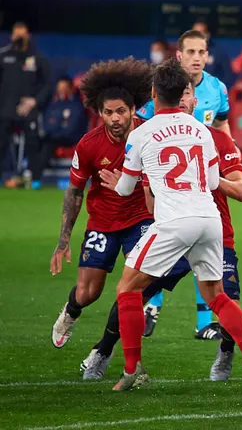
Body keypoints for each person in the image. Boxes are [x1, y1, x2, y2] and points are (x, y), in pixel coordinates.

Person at [99, 58, 242, 391]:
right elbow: (215, 178)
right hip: (209, 219)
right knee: (216, 295)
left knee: (127, 289)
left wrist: (117, 181)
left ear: (153, 93)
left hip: (175, 220)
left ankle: (132, 370)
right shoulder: (203, 131)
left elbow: (127, 190)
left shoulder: (142, 133)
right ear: (182, 95)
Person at [49, 57, 155, 347]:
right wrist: (63, 241)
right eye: (108, 112)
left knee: (140, 283)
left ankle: (115, 342)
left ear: (134, 109)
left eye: (121, 111)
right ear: (99, 112)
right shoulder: (89, 144)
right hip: (104, 222)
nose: (116, 118)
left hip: (141, 219)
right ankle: (71, 312)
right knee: (88, 293)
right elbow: (74, 191)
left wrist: (132, 179)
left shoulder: (151, 135)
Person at [139, 29, 232, 341]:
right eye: (190, 52)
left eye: (201, 52)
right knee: (164, 245)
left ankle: (204, 321)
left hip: (203, 180)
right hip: (167, 181)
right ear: (178, 55)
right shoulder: (164, 88)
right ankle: (151, 305)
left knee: (203, 250)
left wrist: (231, 153)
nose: (196, 57)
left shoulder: (217, 87)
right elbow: (142, 126)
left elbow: (221, 122)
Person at [0, 22, 51, 189]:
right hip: (5, 110)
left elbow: (48, 85)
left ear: (28, 36)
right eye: (17, 35)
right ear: (11, 37)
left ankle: (35, 180)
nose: (19, 38)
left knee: (33, 144)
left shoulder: (37, 58)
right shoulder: (3, 56)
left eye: (23, 35)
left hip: (29, 110)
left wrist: (35, 101)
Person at [36, 77, 87, 186]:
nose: (61, 91)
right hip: (52, 137)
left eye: (64, 88)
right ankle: (29, 174)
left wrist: (57, 125)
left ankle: (35, 178)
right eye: (59, 88)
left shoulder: (76, 106)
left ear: (70, 88)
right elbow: (47, 126)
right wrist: (60, 124)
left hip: (70, 139)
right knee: (36, 141)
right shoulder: (52, 106)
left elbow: (71, 128)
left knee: (49, 144)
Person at [191, 21, 234, 88]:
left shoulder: (218, 52)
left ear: (207, 34)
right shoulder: (186, 53)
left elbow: (229, 77)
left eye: (201, 33)